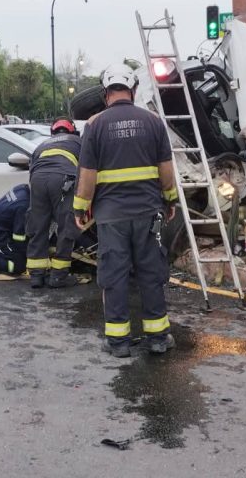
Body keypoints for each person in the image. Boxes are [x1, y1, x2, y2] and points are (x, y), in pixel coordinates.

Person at [73, 64, 179, 358]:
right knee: (151, 274)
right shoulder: (154, 122)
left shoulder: (95, 125)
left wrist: (80, 208)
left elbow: (88, 173)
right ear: (133, 91)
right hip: (148, 213)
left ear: (106, 93)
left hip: (111, 218)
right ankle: (158, 338)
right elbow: (166, 171)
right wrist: (169, 201)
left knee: (115, 276)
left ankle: (118, 342)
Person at [25, 117, 82, 289]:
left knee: (38, 225)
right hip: (63, 181)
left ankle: (36, 276)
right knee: (66, 226)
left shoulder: (42, 145)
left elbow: (32, 168)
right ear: (71, 130)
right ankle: (58, 276)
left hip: (38, 180)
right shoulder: (78, 142)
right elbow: (89, 167)